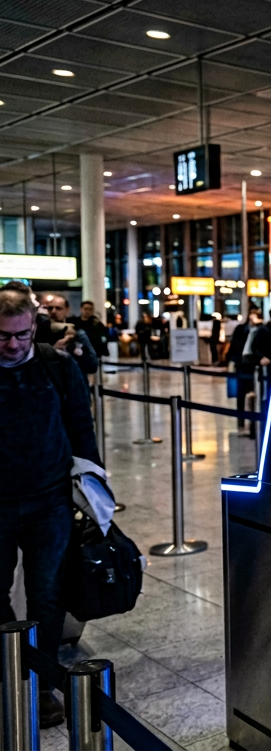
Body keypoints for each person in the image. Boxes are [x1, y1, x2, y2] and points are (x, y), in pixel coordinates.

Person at [0, 283, 101, 728]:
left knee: (47, 595)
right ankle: (10, 668)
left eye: (22, 335)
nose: (13, 344)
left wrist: (94, 491)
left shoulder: (57, 366)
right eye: (3, 335)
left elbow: (82, 428)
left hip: (50, 501)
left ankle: (39, 683)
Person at [36, 293, 98, 375]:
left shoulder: (76, 333)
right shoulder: (40, 332)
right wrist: (53, 351)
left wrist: (72, 350)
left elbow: (92, 364)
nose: (53, 311)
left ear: (67, 310)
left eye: (58, 308)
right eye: (50, 308)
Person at [227, 308, 262, 434]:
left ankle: (253, 425)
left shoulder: (260, 331)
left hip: (253, 365)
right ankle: (240, 423)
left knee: (254, 396)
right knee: (240, 396)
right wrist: (231, 361)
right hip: (241, 364)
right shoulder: (241, 329)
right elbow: (234, 345)